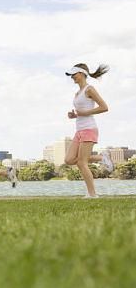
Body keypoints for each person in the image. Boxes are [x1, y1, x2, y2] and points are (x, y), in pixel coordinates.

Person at [63, 63, 113, 198]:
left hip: (89, 129)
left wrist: (84, 113)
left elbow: (104, 107)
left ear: (82, 73)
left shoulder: (89, 89)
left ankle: (92, 195)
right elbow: (81, 112)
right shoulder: (78, 92)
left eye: (74, 74)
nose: (72, 77)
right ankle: (101, 158)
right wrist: (75, 115)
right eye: (71, 75)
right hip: (79, 130)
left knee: (81, 163)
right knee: (68, 160)